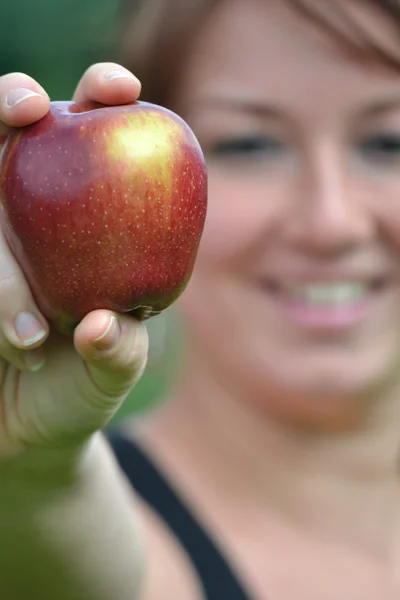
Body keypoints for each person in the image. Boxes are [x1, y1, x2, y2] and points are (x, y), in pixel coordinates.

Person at [1, 0, 400, 598]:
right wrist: (32, 478)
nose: (332, 222)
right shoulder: (63, 533)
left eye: (389, 143)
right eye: (250, 145)